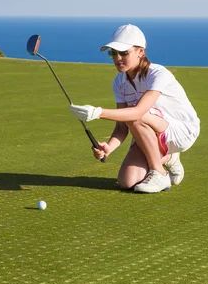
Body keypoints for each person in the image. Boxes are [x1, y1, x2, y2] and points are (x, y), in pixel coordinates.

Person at [68, 24, 200, 193]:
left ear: (140, 52)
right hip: (149, 130)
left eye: (124, 53)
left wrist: (98, 112)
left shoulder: (158, 74)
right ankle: (169, 158)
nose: (117, 58)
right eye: (113, 53)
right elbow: (121, 128)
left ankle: (159, 174)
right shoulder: (119, 82)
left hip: (182, 132)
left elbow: (138, 112)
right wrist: (109, 148)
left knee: (137, 114)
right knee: (127, 182)